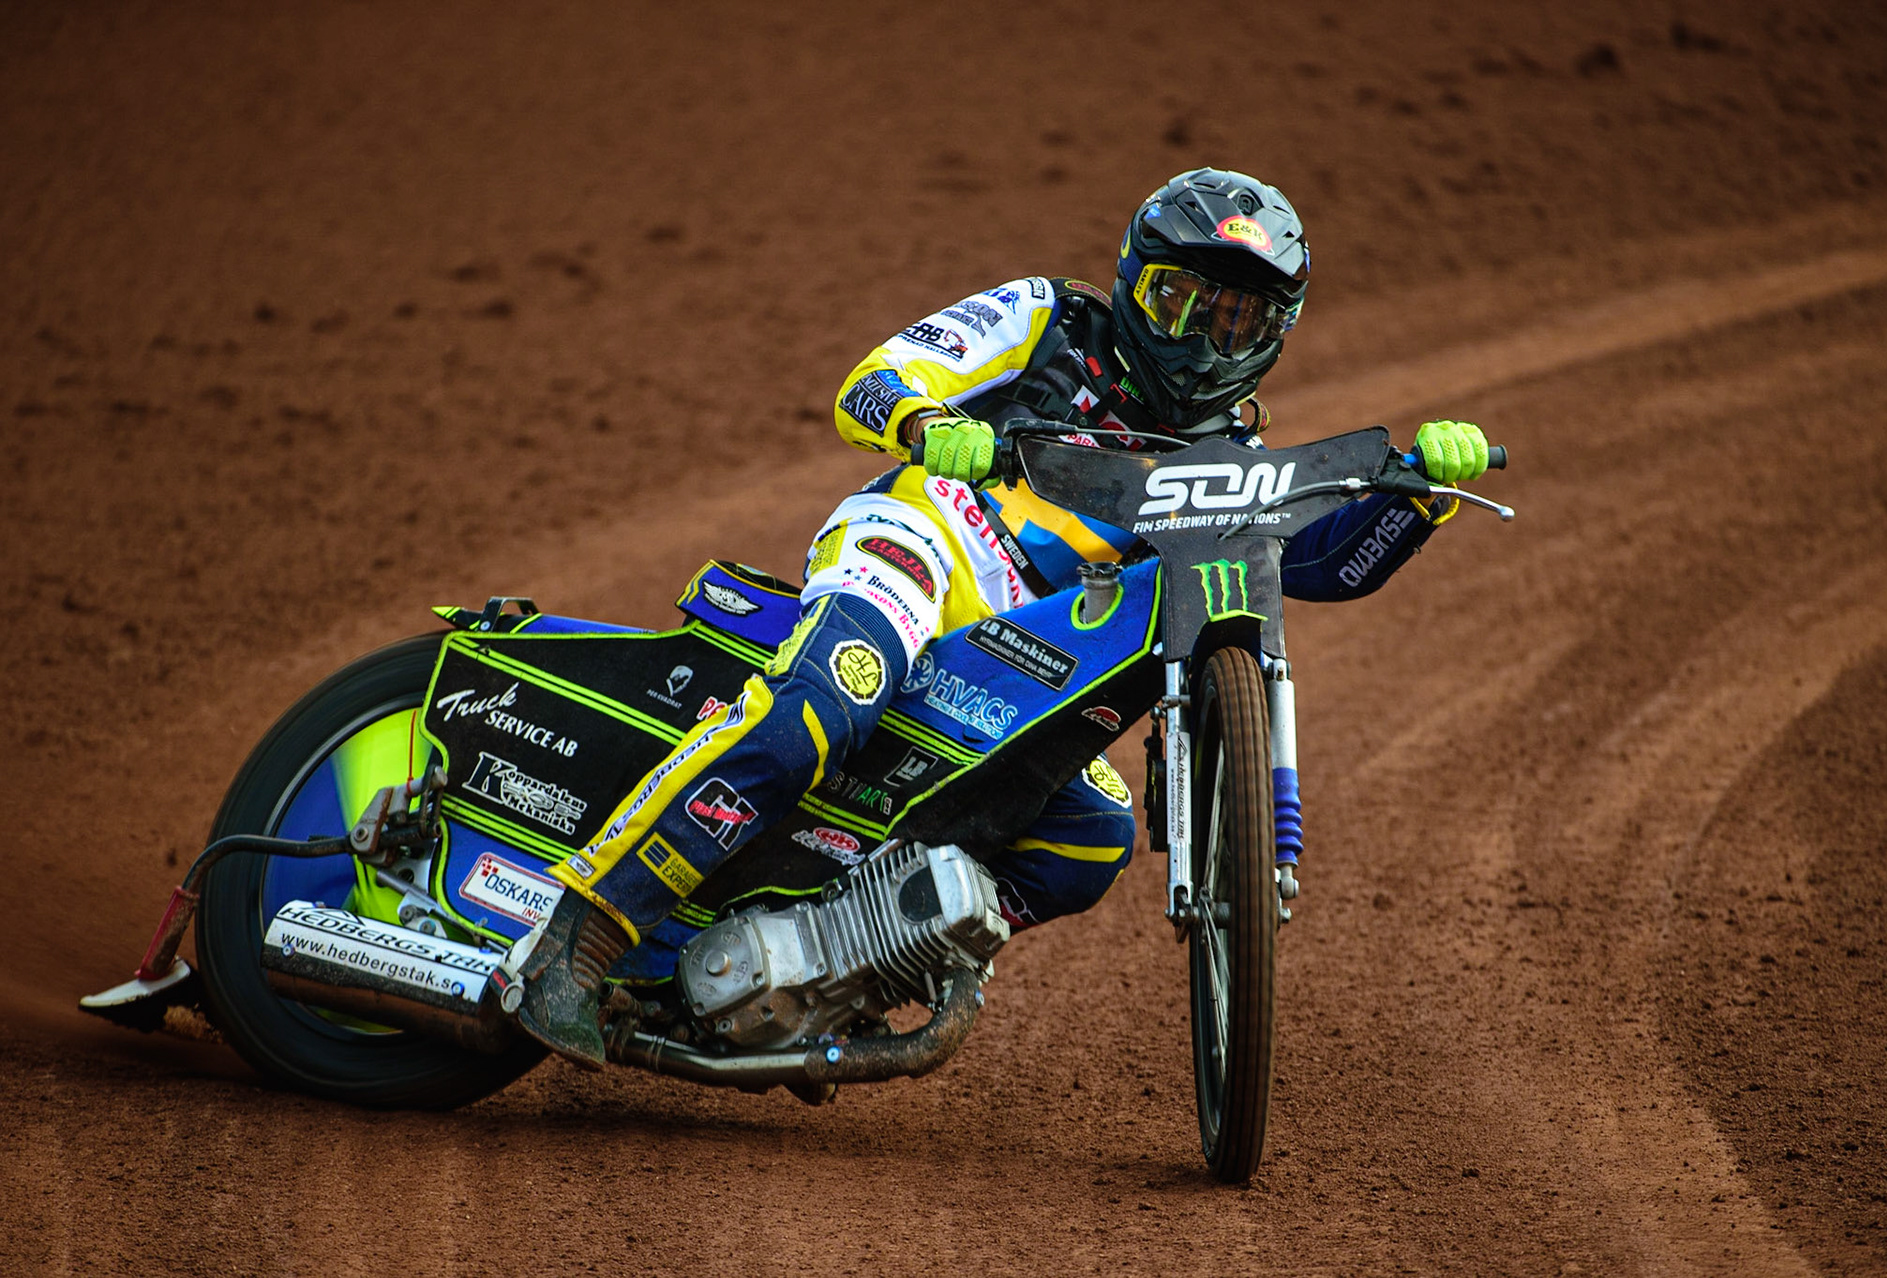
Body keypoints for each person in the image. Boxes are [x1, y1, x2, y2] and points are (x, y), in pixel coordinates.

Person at [507, 168, 1492, 1068]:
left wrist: (1419, 494)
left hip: (1022, 661)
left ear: (1276, 332)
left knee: (1090, 833)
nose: (1199, 336)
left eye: (1232, 318)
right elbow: (873, 381)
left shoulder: (1234, 453)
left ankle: (844, 968)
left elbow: (1316, 564)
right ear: (1132, 281)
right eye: (1178, 300)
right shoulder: (1046, 316)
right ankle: (576, 940)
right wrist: (932, 426)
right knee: (830, 702)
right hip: (923, 545)